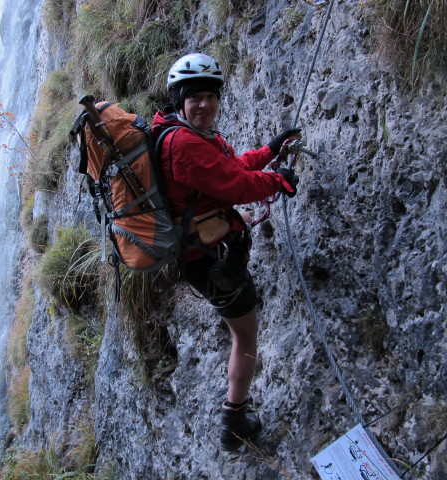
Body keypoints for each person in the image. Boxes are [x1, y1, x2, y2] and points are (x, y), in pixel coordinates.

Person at [152, 53, 301, 451]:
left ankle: (234, 418)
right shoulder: (184, 145)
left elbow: (230, 168)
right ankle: (234, 423)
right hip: (210, 261)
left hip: (207, 255)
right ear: (179, 100)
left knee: (241, 331)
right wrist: (279, 182)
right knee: (246, 338)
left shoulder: (182, 134)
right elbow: (236, 187)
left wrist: (269, 152)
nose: (204, 104)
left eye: (210, 95)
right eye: (194, 96)